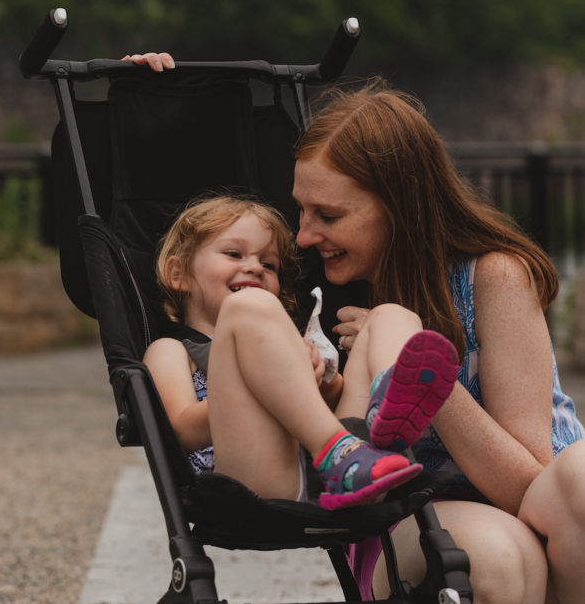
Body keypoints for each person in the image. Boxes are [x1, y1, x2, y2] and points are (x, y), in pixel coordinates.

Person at [292, 80, 585, 604]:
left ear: (397, 206)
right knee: (493, 568)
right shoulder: (312, 297)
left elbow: (533, 487)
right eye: (300, 210)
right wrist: (157, 80)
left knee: (581, 473)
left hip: (555, 522)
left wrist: (424, 375)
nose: (304, 235)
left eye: (326, 215)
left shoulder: (493, 276)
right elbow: (201, 265)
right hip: (415, 523)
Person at [142, 194, 459, 509]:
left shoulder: (282, 344)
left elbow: (327, 408)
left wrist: (325, 385)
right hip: (257, 480)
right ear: (178, 274)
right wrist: (265, 390)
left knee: (390, 314)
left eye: (269, 264)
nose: (255, 267)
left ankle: (389, 408)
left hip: (348, 475)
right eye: (234, 254)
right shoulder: (170, 350)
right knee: (248, 306)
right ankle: (337, 450)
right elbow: (179, 431)